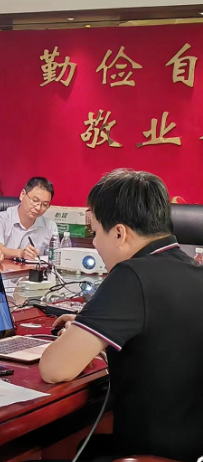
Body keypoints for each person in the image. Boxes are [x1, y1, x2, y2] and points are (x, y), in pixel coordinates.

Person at [39, 170, 203, 461]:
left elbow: (54, 369)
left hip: (146, 451)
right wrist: (88, 332)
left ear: (119, 233)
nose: (95, 244)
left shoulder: (131, 275)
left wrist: (73, 339)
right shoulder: (193, 269)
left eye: (95, 232)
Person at [0, 177, 57, 260]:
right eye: (35, 200)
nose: (38, 208)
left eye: (44, 205)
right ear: (22, 195)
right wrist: (20, 253)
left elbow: (55, 258)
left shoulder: (50, 227)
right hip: (3, 268)